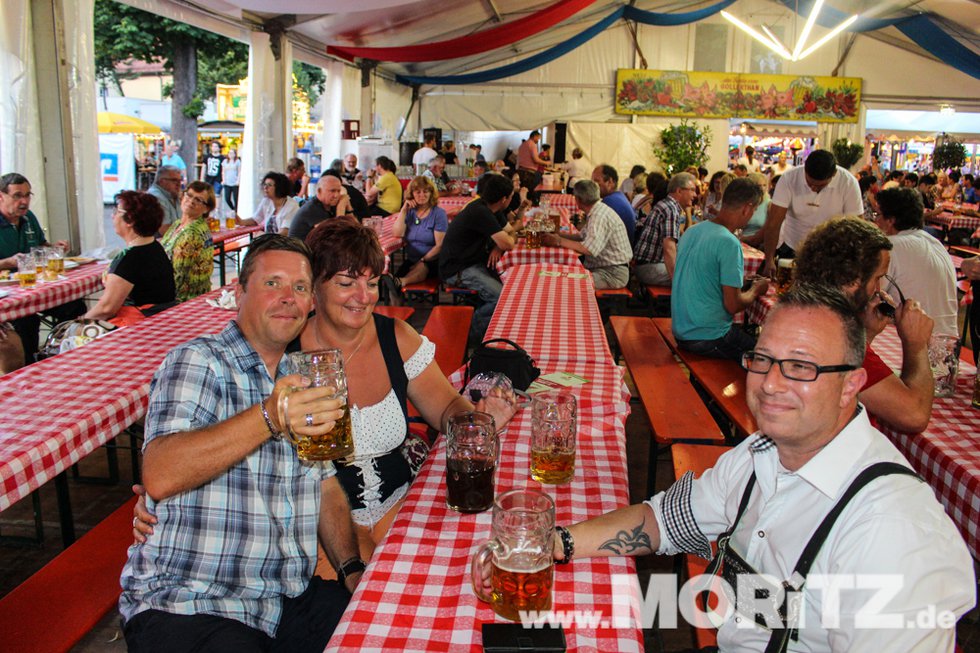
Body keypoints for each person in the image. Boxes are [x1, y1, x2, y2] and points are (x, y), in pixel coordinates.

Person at [487, 283, 975, 652]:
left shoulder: (893, 532)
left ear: (851, 385)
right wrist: (556, 542)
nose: (769, 383)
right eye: (762, 359)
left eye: (801, 367)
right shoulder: (760, 453)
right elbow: (665, 522)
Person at [120, 234, 362, 652]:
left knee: (378, 631)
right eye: (272, 283)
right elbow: (159, 473)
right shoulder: (198, 361)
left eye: (299, 288)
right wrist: (271, 416)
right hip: (192, 602)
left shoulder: (302, 377)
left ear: (310, 305)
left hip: (284, 599)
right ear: (238, 293)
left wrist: (352, 569)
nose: (288, 297)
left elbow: (324, 486)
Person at [290, 218, 515, 564]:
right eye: (346, 283)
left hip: (399, 504)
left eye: (373, 282)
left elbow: (445, 410)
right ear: (313, 286)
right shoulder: (287, 354)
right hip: (314, 525)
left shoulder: (395, 337)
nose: (363, 297)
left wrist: (480, 419)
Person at [795, 216, 935, 433]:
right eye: (877, 278)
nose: (879, 289)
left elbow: (848, 376)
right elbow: (914, 416)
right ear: (851, 281)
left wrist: (866, 334)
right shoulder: (835, 335)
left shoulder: (806, 310)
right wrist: (916, 344)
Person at [670, 178, 769, 360]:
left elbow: (704, 279)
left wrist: (744, 282)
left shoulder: (693, 231)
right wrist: (756, 289)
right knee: (765, 359)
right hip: (708, 336)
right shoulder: (729, 242)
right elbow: (733, 305)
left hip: (681, 331)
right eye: (754, 210)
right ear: (747, 208)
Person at [0, 173, 77, 360]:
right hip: (7, 292)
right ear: (1, 196)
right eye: (17, 195)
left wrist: (54, 249)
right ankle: (29, 367)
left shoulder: (28, 217)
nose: (24, 201)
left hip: (34, 286)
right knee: (27, 319)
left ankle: (67, 354)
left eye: (27, 195)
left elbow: (40, 247)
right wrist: (6, 263)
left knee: (74, 306)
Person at [439, 173, 516, 340]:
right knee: (501, 298)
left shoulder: (489, 208)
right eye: (511, 197)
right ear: (504, 199)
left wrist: (498, 245)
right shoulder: (480, 212)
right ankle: (467, 335)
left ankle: (482, 330)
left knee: (510, 289)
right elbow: (509, 243)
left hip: (472, 263)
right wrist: (501, 243)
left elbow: (510, 234)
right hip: (457, 269)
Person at [762, 149, 863, 276]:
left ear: (833, 175)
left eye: (820, 186)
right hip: (792, 248)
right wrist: (769, 259)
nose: (813, 188)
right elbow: (773, 224)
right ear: (805, 169)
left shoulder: (848, 183)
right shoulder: (789, 178)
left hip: (831, 253)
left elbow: (856, 228)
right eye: (809, 183)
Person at [873, 187, 958, 336]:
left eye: (878, 215)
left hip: (913, 343)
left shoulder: (890, 247)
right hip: (949, 342)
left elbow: (869, 297)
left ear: (891, 220)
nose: (875, 221)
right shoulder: (936, 244)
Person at [83, 191, 176, 324]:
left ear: (130, 220)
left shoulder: (129, 259)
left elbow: (106, 308)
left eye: (116, 211)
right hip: (162, 321)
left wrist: (76, 325)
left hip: (140, 326)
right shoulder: (154, 247)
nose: (112, 215)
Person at [541, 179, 631, 290]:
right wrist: (559, 235)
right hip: (605, 268)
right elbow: (581, 237)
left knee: (568, 283)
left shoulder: (599, 216)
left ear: (578, 200)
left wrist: (559, 241)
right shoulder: (597, 210)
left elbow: (588, 249)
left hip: (612, 273)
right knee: (561, 273)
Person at [633, 172, 698, 287]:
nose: (695, 195)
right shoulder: (670, 209)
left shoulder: (668, 205)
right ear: (679, 191)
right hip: (649, 268)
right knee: (695, 275)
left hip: (645, 265)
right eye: (692, 190)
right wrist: (676, 281)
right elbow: (669, 249)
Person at [388, 176, 448, 291]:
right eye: (418, 192)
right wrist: (403, 211)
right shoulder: (410, 212)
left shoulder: (438, 214)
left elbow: (440, 245)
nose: (422, 195)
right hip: (412, 259)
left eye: (426, 191)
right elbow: (397, 233)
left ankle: (402, 281)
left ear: (431, 193)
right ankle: (399, 304)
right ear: (412, 194)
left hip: (433, 260)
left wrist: (423, 260)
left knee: (421, 268)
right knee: (393, 287)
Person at [160, 181, 215, 302]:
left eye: (199, 200)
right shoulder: (178, 224)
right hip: (191, 294)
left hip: (185, 299)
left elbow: (179, 277)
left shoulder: (191, 233)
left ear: (206, 209)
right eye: (189, 195)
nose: (191, 201)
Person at [288, 173, 355, 244]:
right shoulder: (312, 208)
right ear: (319, 191)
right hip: (299, 252)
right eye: (332, 191)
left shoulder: (329, 204)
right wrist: (341, 208)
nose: (336, 195)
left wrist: (348, 207)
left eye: (338, 191)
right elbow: (336, 237)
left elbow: (355, 228)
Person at [238, 172, 300, 236]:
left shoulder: (292, 206)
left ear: (279, 188)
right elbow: (256, 219)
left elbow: (284, 234)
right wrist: (241, 222)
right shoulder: (266, 201)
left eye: (269, 185)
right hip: (270, 242)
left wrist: (262, 235)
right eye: (264, 184)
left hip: (285, 244)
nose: (265, 187)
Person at [591, 164, 636, 243]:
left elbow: (594, 235)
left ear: (610, 182)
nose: (592, 186)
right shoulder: (619, 196)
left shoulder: (610, 202)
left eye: (596, 181)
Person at [147, 166, 182, 231]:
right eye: (174, 180)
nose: (179, 184)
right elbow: (165, 230)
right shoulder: (155, 197)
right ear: (161, 181)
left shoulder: (173, 194)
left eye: (180, 180)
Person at [740, 171, 770, 242]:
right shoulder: (744, 202)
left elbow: (769, 230)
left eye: (764, 185)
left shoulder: (769, 204)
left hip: (758, 243)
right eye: (759, 185)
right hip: (741, 240)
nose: (762, 188)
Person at [221, 148, 241, 217]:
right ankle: (233, 208)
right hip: (227, 182)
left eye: (232, 153)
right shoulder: (225, 161)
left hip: (235, 182)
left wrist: (238, 180)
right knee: (227, 198)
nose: (231, 155)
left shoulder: (237, 161)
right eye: (229, 153)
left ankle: (236, 211)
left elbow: (239, 171)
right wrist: (223, 180)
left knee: (236, 198)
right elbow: (223, 172)